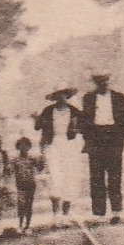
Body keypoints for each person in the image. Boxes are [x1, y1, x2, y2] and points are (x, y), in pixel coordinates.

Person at [80, 73, 124, 223]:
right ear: (96, 83)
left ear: (109, 81)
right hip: (96, 137)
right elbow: (84, 120)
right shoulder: (88, 98)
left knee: (114, 175)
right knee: (96, 176)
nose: (103, 84)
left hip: (114, 138)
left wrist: (121, 136)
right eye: (100, 81)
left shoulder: (119, 97)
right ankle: (98, 212)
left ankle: (116, 211)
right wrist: (88, 137)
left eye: (106, 81)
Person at [34, 88, 82, 218]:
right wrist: (42, 149)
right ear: (55, 97)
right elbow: (38, 127)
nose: (61, 98)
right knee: (55, 178)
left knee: (69, 178)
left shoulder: (74, 111)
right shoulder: (48, 111)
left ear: (67, 96)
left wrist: (76, 129)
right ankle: (56, 214)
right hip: (53, 145)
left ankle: (65, 214)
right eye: (58, 95)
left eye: (64, 95)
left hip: (69, 145)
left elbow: (83, 127)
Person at [13, 137, 40, 233]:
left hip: (30, 185)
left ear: (29, 147)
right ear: (18, 147)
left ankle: (28, 226)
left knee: (29, 205)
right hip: (20, 186)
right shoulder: (15, 160)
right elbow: (10, 171)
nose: (24, 148)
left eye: (26, 146)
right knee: (21, 204)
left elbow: (40, 167)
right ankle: (20, 225)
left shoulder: (32, 159)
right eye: (21, 146)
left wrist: (41, 159)